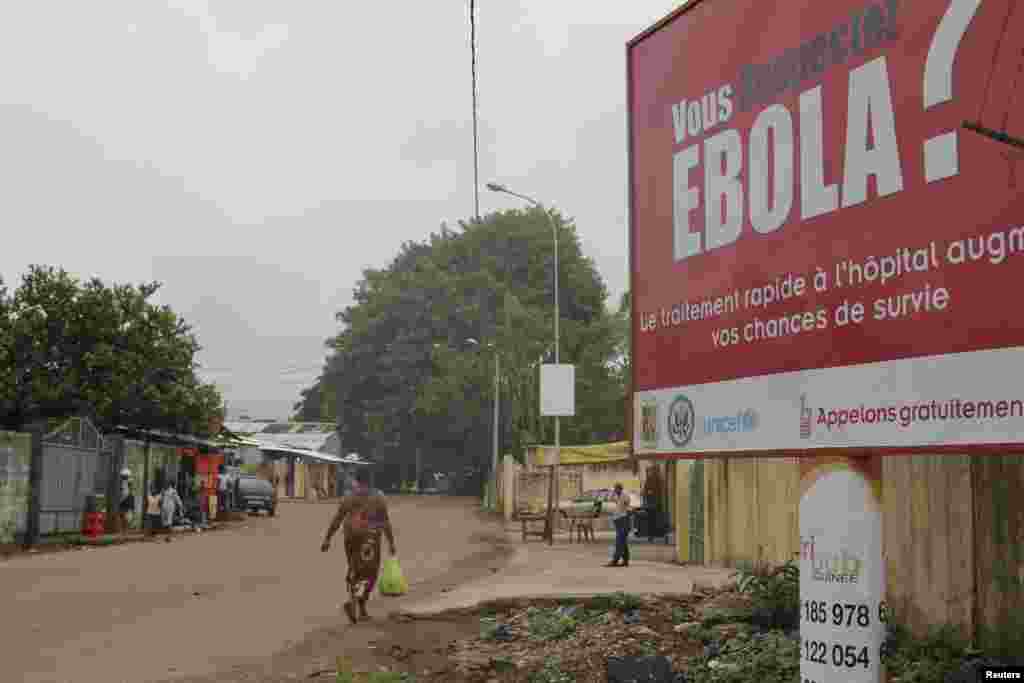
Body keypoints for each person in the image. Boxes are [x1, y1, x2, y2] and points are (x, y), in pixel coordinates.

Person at [320, 469, 397, 624]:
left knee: (355, 568)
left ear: (356, 480)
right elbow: (385, 521)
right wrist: (391, 542)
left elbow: (338, 519)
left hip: (351, 536)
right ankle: (359, 606)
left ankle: (352, 596)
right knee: (369, 573)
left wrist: (328, 539)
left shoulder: (348, 496)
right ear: (370, 479)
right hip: (370, 538)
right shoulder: (379, 496)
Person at [606, 482, 632, 567]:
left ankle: (615, 560)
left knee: (619, 541)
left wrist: (626, 513)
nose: (615, 490)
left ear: (620, 488)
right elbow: (610, 500)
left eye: (616, 489)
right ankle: (625, 561)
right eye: (614, 489)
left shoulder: (625, 496)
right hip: (618, 520)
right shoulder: (616, 496)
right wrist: (613, 494)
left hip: (624, 520)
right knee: (623, 542)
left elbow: (627, 506)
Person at [118, 468, 135, 537]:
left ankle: (125, 531)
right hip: (124, 500)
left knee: (125, 516)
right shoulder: (122, 483)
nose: (123, 477)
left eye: (124, 476)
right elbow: (123, 492)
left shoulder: (129, 482)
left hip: (127, 500)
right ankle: (123, 531)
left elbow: (127, 492)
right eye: (123, 476)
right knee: (122, 516)